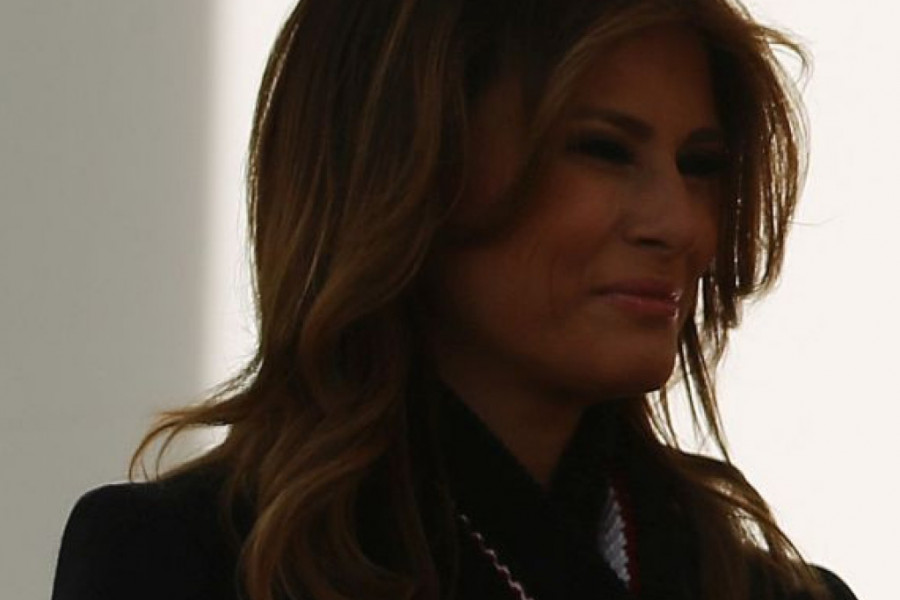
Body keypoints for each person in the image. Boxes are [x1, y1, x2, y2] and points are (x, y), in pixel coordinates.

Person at [51, 1, 859, 599]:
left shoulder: (778, 594)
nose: (679, 224)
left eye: (701, 165)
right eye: (604, 150)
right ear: (403, 169)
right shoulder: (184, 564)